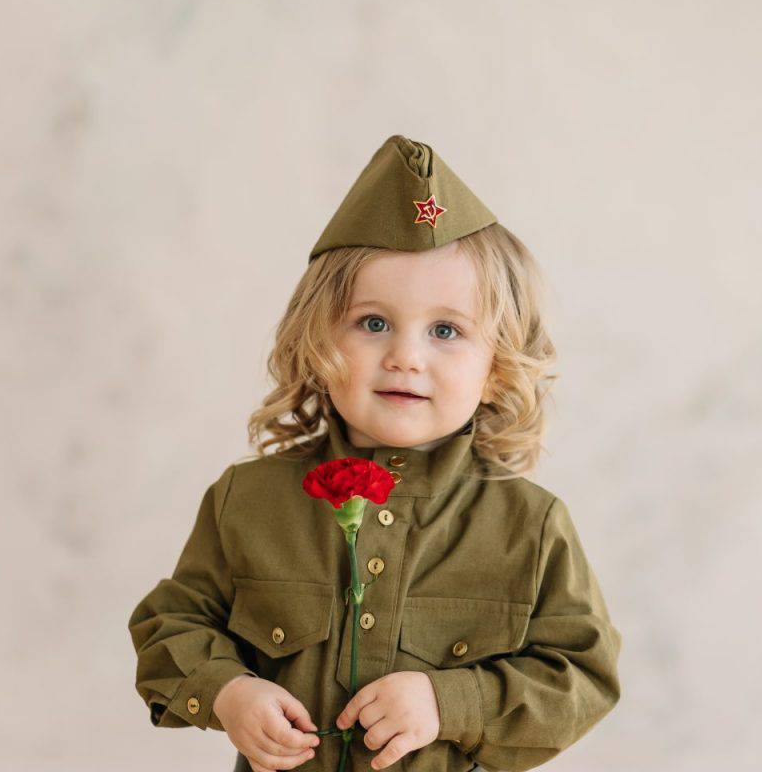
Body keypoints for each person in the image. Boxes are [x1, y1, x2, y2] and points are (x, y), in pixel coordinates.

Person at [128, 134, 622, 772]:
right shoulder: (245, 502)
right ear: (317, 338)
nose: (406, 357)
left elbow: (583, 675)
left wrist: (452, 702)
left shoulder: (530, 526)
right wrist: (229, 692)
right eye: (373, 322)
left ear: (497, 367)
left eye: (446, 330)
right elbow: (171, 624)